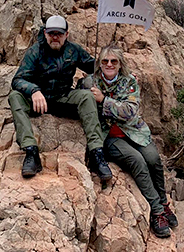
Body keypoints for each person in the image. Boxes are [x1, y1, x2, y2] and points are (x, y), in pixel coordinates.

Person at [88, 43, 178, 238]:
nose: (109, 64)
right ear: (100, 63)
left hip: (133, 131)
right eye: (105, 61)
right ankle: (157, 212)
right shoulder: (90, 83)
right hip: (108, 137)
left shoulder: (129, 82)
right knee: (137, 160)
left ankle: (163, 202)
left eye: (114, 61)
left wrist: (103, 100)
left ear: (120, 64)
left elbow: (129, 111)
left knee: (153, 159)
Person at [8, 15, 113, 182]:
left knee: (86, 96)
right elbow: (18, 80)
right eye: (51, 33)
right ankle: (31, 152)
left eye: (59, 33)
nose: (55, 37)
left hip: (64, 98)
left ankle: (96, 153)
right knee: (15, 97)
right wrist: (34, 90)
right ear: (45, 33)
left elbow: (97, 68)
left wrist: (123, 76)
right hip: (39, 102)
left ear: (67, 34)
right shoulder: (35, 51)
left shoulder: (74, 50)